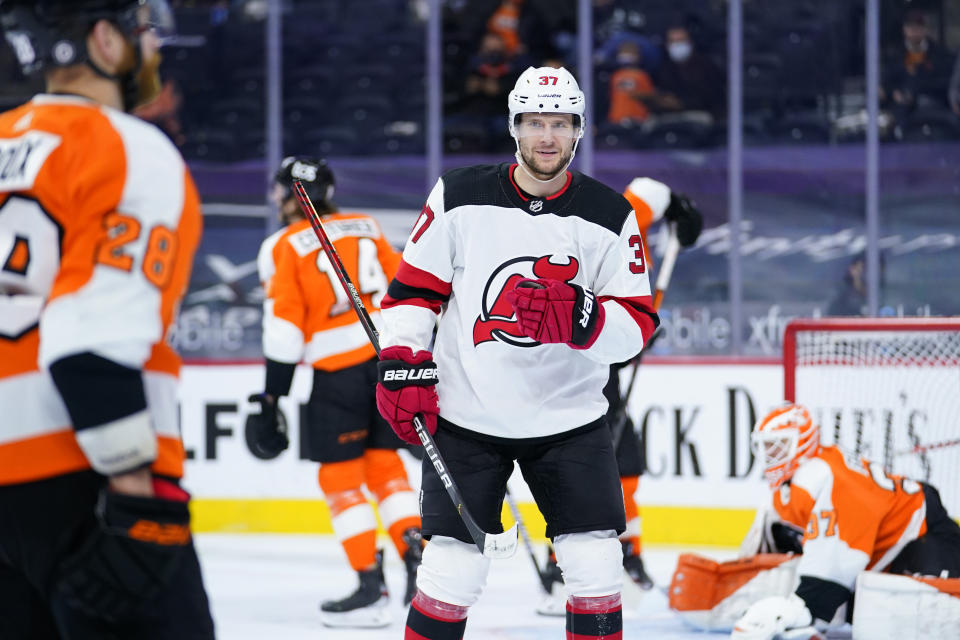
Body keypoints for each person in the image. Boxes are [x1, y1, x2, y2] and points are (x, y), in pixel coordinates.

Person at [375, 65, 660, 640]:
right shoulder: (458, 194)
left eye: (559, 123)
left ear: (578, 130)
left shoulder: (610, 214)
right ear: (514, 127)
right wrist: (403, 365)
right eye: (534, 122)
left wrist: (586, 321)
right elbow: (412, 294)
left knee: (595, 568)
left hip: (570, 419)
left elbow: (638, 325)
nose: (547, 136)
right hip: (468, 415)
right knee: (450, 573)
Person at [0, 1, 215, 638]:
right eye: (142, 32)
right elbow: (89, 343)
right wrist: (136, 495)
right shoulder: (125, 146)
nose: (153, 48)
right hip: (79, 481)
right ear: (103, 40)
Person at [250, 156, 424, 628]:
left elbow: (284, 329)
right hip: (388, 365)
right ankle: (414, 550)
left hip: (338, 377)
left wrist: (271, 399)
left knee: (341, 480)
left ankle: (371, 586)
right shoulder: (366, 226)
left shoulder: (282, 245)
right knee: (385, 466)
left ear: (291, 195)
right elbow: (405, 292)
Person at [537, 177, 704, 615]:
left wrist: (678, 207)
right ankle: (565, 569)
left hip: (601, 364)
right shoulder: (554, 236)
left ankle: (627, 554)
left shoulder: (611, 218)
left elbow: (647, 192)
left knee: (624, 461)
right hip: (563, 369)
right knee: (574, 467)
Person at [730, 403, 960, 639]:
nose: (770, 455)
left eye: (778, 446)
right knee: (872, 610)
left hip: (922, 533)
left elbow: (840, 553)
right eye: (766, 447)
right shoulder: (795, 484)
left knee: (934, 619)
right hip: (889, 547)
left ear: (803, 441)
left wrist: (807, 607)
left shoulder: (823, 477)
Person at [880, 9, 954, 122]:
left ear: (925, 29)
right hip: (901, 114)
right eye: (910, 27)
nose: (914, 31)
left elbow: (947, 83)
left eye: (918, 27)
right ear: (904, 29)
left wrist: (916, 93)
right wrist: (894, 93)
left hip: (935, 111)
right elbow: (885, 83)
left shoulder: (940, 54)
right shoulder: (894, 55)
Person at [653, 24, 725, 120]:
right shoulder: (663, 67)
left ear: (690, 42)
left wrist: (681, 103)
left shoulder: (706, 65)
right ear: (666, 45)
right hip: (668, 115)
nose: (677, 45)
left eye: (681, 41)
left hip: (700, 114)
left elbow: (713, 98)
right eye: (673, 41)